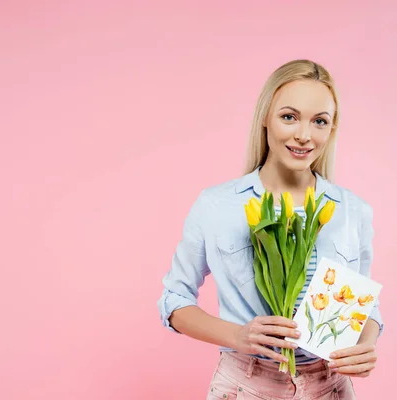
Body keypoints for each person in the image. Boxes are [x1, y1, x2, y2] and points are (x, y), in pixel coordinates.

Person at [157, 59, 384, 400]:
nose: (304, 135)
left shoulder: (353, 211)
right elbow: (174, 301)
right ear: (265, 117)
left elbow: (365, 306)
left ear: (331, 129)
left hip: (331, 387)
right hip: (246, 384)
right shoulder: (217, 205)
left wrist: (364, 346)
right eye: (289, 116)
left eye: (319, 121)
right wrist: (237, 336)